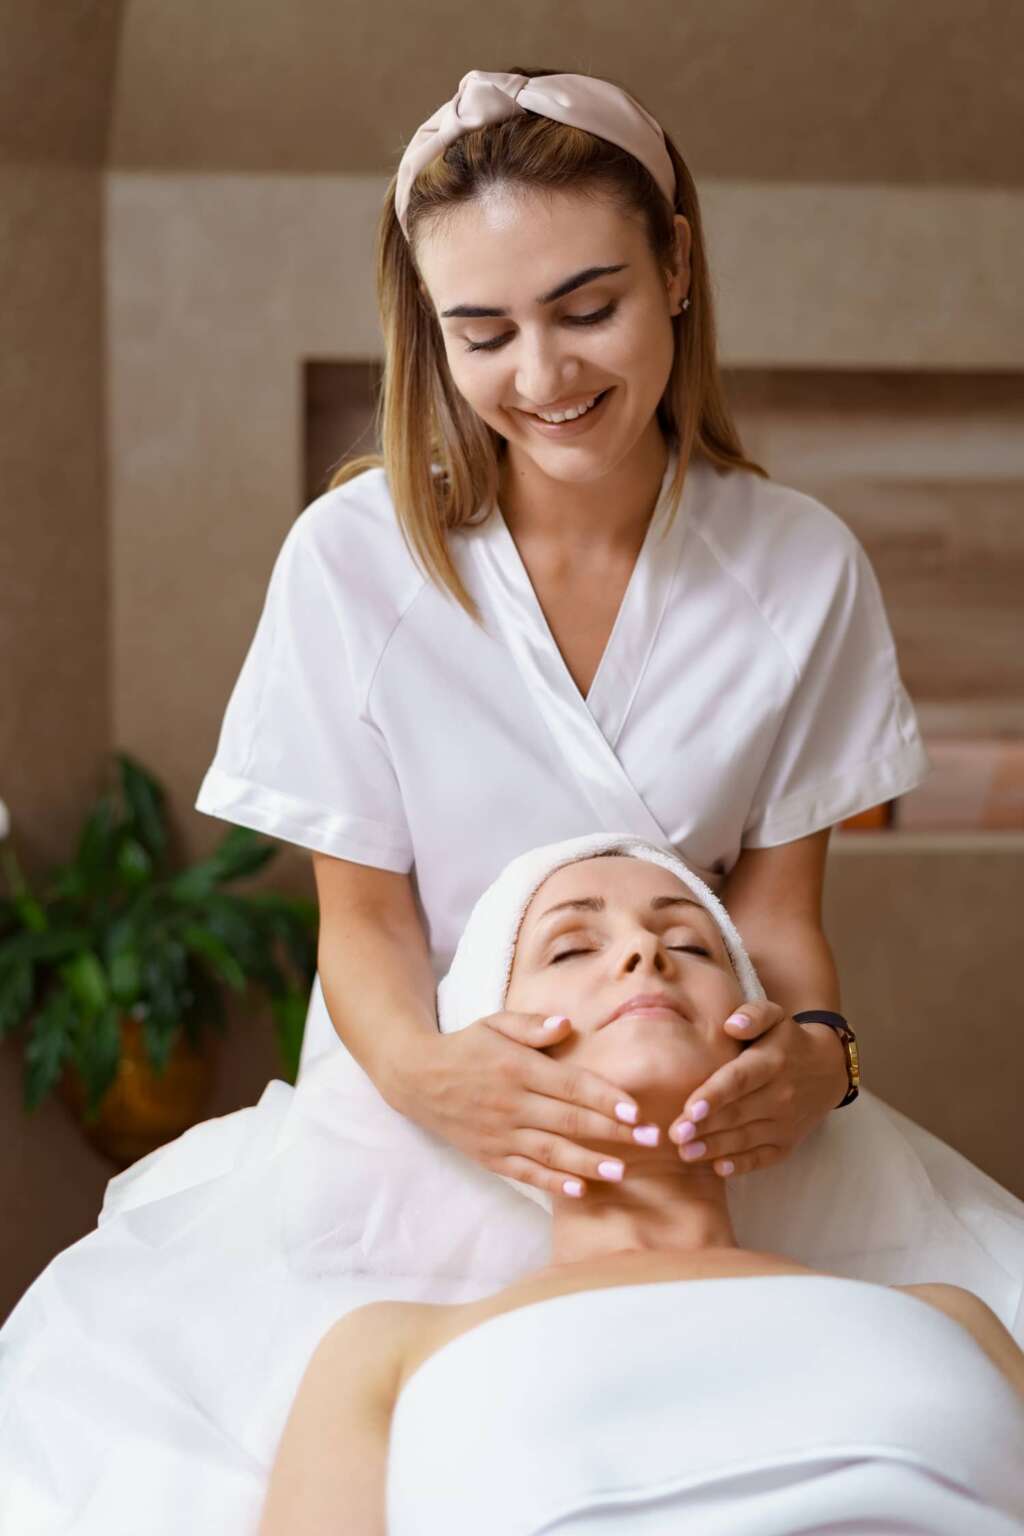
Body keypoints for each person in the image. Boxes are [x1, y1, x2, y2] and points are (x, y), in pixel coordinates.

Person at [3, 65, 1024, 1536]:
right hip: (422, 1115)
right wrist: (435, 1081)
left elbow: (777, 921)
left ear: (678, 265)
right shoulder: (356, 562)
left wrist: (816, 1057)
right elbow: (361, 923)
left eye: (585, 307)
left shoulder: (800, 568)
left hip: (712, 1119)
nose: (541, 374)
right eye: (481, 332)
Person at [258, 837, 1024, 1536]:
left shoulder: (955, 1314)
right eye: (570, 949)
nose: (645, 952)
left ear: (755, 1030)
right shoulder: (383, 1353)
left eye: (691, 944)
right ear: (487, 1041)